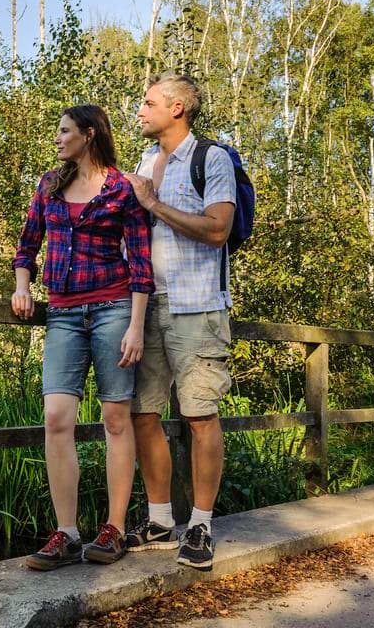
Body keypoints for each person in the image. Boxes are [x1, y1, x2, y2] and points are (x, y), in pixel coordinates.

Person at [11, 104, 153, 570]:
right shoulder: (49, 185)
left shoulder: (122, 189)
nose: (58, 138)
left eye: (65, 131)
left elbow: (140, 260)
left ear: (88, 135)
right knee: (55, 417)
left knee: (116, 418)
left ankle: (112, 530)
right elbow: (27, 243)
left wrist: (136, 323)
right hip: (65, 314)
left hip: (114, 308)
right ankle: (67, 533)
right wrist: (22, 287)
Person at [122, 73, 236, 572]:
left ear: (177, 108)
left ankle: (202, 525)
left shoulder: (213, 159)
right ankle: (161, 520)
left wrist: (152, 204)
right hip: (147, 308)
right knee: (142, 414)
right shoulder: (145, 162)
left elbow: (217, 230)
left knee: (199, 415)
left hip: (198, 307)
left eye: (148, 103)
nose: (140, 111)